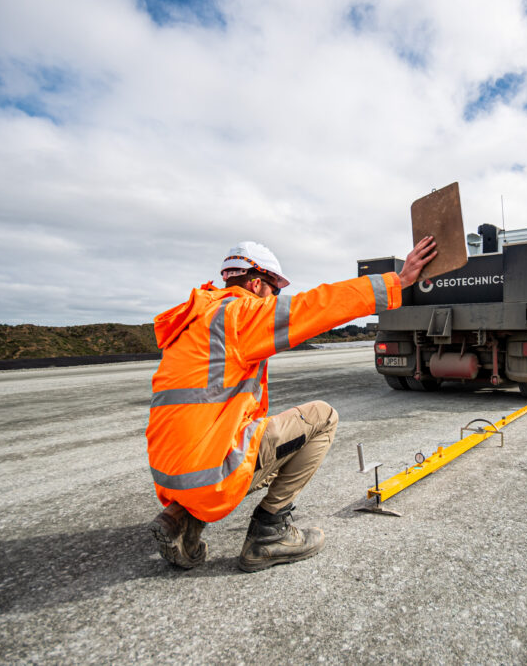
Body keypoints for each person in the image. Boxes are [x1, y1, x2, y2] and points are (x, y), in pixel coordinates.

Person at [146, 236, 437, 572]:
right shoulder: (240, 314)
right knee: (323, 418)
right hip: (207, 473)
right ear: (257, 284)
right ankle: (269, 534)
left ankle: (182, 519)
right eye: (275, 291)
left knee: (258, 442)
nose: (276, 299)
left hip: (169, 478)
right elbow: (315, 307)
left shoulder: (192, 322)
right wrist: (397, 282)